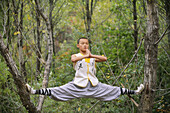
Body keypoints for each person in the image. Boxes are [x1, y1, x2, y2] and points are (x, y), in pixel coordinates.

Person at [26, 37, 144, 101]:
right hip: (78, 85)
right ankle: (34, 92)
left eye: (86, 44)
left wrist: (90, 55)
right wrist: (86, 55)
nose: (85, 45)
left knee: (113, 89)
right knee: (58, 90)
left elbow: (105, 59)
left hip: (93, 85)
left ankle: (136, 92)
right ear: (78, 45)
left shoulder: (92, 58)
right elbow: (73, 60)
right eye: (82, 43)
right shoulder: (76, 56)